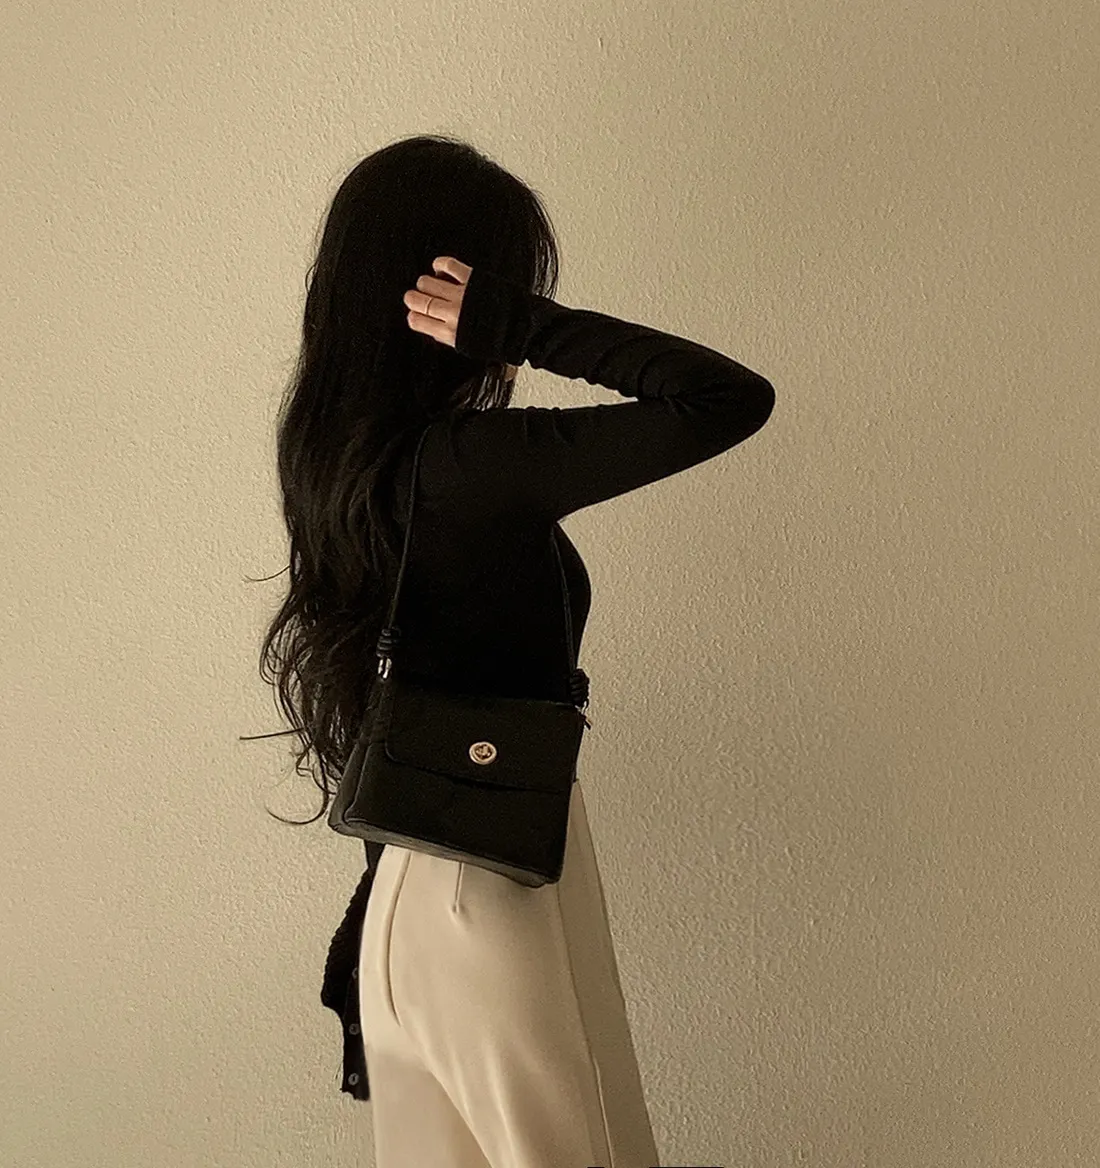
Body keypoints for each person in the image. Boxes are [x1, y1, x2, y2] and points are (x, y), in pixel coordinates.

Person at [250, 133, 775, 1168]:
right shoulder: (466, 466)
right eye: (503, 280)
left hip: (408, 892)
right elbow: (724, 399)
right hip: (488, 893)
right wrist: (526, 327)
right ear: (445, 290)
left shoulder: (337, 459)